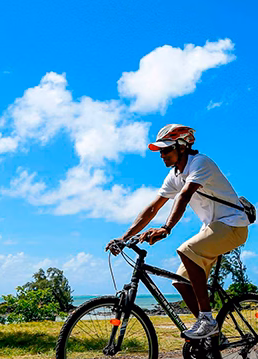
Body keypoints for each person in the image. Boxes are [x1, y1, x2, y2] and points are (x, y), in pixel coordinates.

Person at [106, 124, 250, 339]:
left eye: (166, 150)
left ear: (182, 146)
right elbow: (153, 207)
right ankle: (213, 338)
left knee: (186, 249)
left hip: (233, 225)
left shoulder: (201, 163)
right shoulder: (175, 175)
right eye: (160, 151)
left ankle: (207, 320)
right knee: (180, 282)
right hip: (213, 229)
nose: (161, 155)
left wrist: (166, 228)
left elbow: (184, 196)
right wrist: (124, 237)